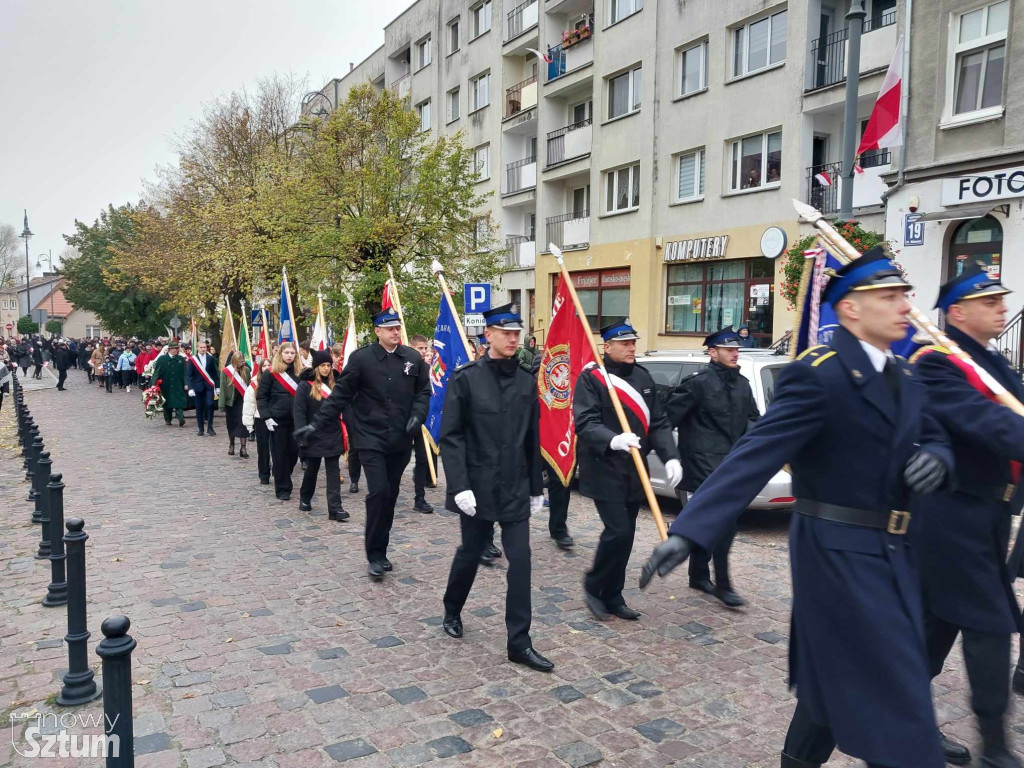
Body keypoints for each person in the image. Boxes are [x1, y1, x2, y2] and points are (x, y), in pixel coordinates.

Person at [640, 246, 953, 768]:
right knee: (896, 696)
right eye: (891, 296)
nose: (906, 306)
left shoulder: (902, 374)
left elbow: (936, 435)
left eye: (905, 295)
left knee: (834, 681)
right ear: (851, 308)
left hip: (896, 553)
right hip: (836, 553)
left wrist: (939, 457)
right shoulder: (821, 374)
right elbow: (755, 453)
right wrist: (689, 531)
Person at [910, 266, 1024, 768]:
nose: (1003, 308)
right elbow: (987, 422)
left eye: (1002, 302)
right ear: (957, 312)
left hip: (990, 512)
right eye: (991, 302)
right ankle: (995, 747)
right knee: (988, 621)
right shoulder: (937, 361)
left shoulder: (992, 361)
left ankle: (905, 717)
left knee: (938, 625)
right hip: (951, 513)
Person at [439, 303, 551, 672]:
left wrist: (537, 487)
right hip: (478, 488)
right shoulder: (466, 378)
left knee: (520, 562)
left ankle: (519, 643)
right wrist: (460, 486)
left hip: (515, 487)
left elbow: (531, 437)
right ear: (488, 335)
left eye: (517, 333)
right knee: (470, 553)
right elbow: (451, 437)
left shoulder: (524, 380)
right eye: (506, 333)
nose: (513, 339)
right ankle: (452, 607)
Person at [296, 308, 430, 581]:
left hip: (400, 440)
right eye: (389, 328)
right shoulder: (361, 359)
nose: (395, 332)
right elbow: (340, 396)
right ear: (377, 331)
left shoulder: (413, 359)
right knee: (378, 492)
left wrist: (418, 415)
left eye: (397, 328)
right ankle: (375, 555)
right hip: (370, 438)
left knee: (390, 496)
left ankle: (383, 547)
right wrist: (317, 424)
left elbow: (423, 392)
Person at [574, 319, 681, 621]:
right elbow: (585, 422)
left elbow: (658, 422)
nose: (632, 347)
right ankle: (594, 586)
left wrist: (670, 456)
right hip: (603, 466)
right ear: (606, 347)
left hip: (635, 470)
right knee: (617, 531)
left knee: (628, 534)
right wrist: (613, 440)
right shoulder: (593, 379)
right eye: (624, 343)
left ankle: (614, 594)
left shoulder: (643, 377)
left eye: (633, 342)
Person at [667, 325, 760, 608]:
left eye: (736, 350)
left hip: (731, 465)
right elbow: (668, 418)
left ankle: (698, 574)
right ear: (713, 352)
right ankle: (724, 585)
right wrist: (671, 456)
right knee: (724, 525)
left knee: (712, 523)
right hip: (702, 465)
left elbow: (753, 420)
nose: (735, 354)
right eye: (729, 350)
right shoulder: (698, 382)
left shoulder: (742, 384)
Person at [293, 349, 349, 522]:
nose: (326, 369)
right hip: (313, 433)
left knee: (333, 471)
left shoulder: (336, 384)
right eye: (323, 365)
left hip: (332, 432)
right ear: (316, 367)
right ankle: (305, 497)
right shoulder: (305, 386)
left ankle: (335, 508)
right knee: (312, 469)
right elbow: (299, 411)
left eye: (328, 365)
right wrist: (301, 434)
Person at [257, 341, 303, 500]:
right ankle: (283, 488)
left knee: (293, 453)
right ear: (280, 354)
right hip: (277, 421)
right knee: (279, 455)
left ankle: (282, 473)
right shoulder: (270, 373)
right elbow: (262, 397)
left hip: (296, 420)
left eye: (292, 353)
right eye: (286, 353)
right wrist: (266, 417)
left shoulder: (300, 373)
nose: (289, 356)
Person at [409, 334, 434, 514]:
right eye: (420, 348)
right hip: (403, 418)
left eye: (426, 348)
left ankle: (420, 497)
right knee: (397, 459)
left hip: (421, 419)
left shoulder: (428, 368)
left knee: (422, 458)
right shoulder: (404, 367)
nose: (424, 351)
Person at [243, 358, 273, 485]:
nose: (267, 367)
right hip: (260, 418)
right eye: (264, 365)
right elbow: (249, 404)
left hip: (276, 418)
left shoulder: (278, 380)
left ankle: (278, 469)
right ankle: (264, 473)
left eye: (269, 365)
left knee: (278, 448)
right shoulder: (254, 383)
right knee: (263, 448)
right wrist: (249, 424)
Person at [219, 350, 251, 458]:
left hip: (243, 401)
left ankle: (243, 447)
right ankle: (231, 444)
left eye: (243, 361)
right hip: (231, 402)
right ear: (234, 361)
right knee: (231, 424)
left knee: (243, 425)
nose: (242, 363)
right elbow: (223, 388)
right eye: (240, 361)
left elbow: (249, 387)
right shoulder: (226, 371)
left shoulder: (246, 370)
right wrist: (221, 404)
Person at [150, 340, 188, 426]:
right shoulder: (162, 359)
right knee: (167, 402)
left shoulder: (180, 359)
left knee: (179, 401)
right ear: (169, 349)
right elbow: (157, 372)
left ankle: (180, 416)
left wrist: (186, 383)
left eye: (177, 349)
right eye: (175, 348)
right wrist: (153, 384)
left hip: (178, 384)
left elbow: (185, 373)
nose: (176, 350)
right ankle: (168, 419)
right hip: (165, 384)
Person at [186, 340, 220, 437]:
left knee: (210, 405)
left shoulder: (211, 359)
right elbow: (189, 375)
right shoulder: (193, 360)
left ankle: (210, 427)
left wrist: (217, 386)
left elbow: (214, 373)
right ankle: (200, 428)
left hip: (209, 386)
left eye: (204, 347)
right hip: (197, 387)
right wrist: (190, 388)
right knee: (199, 407)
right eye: (201, 347)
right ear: (197, 348)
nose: (203, 349)